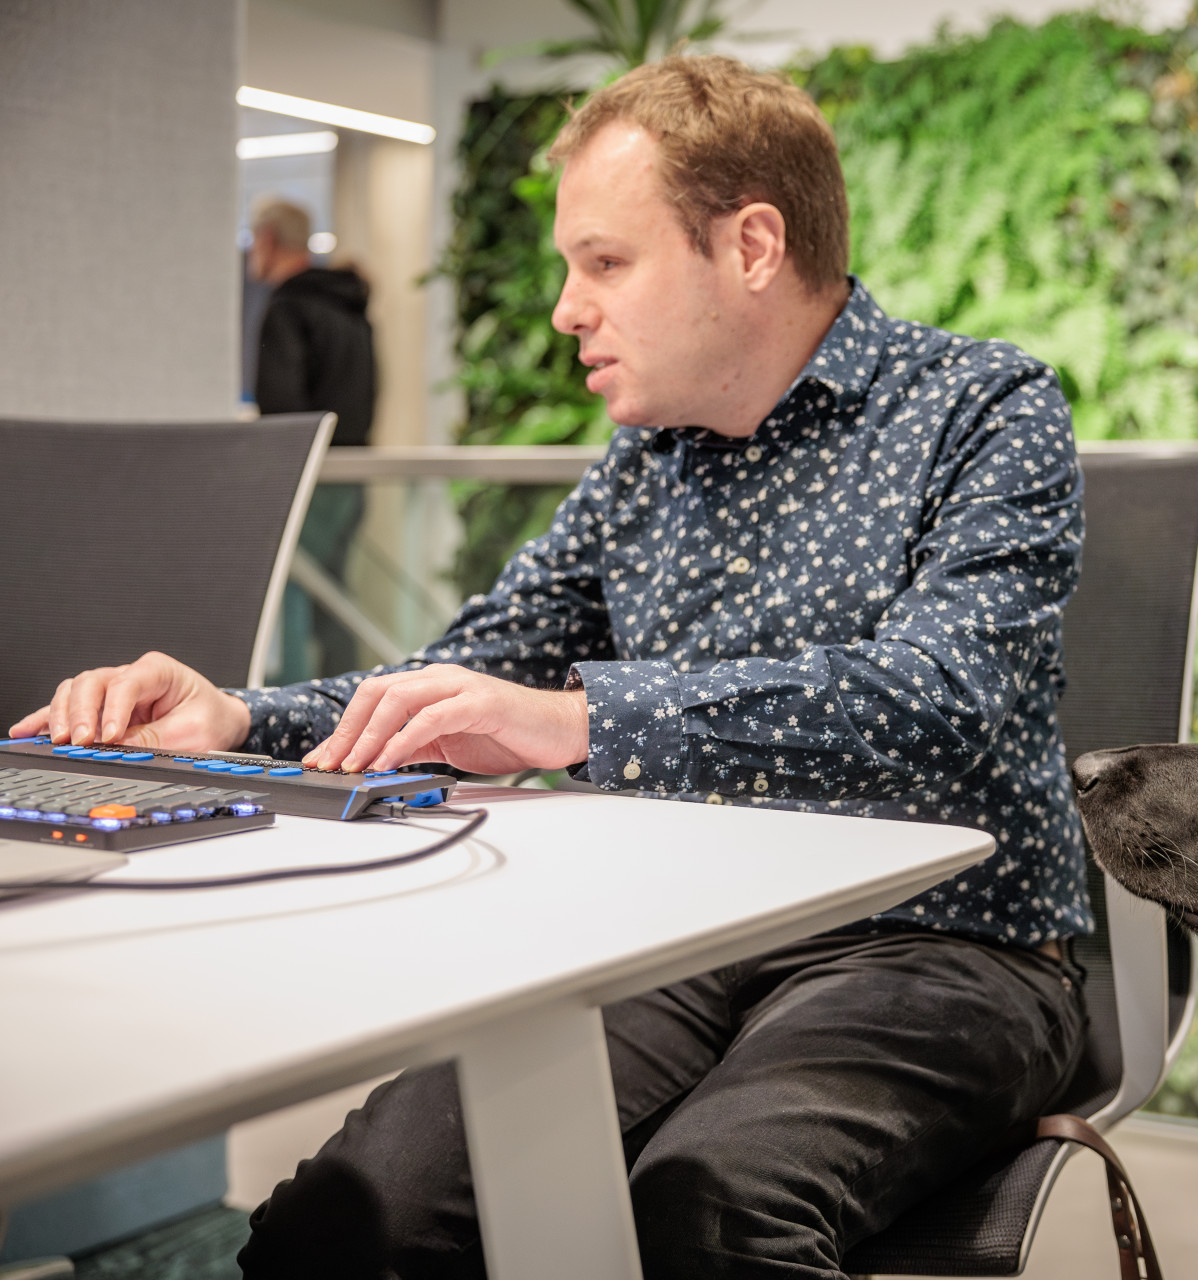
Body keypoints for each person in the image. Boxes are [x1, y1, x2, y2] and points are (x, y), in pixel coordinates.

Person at [11, 57, 1091, 1279]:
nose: (567, 309)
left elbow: (944, 695)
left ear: (750, 246)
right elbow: (472, 671)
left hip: (945, 943)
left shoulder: (982, 407)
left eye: (604, 262)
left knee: (705, 1210)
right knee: (358, 1218)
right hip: (676, 932)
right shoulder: (647, 459)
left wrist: (578, 720)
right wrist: (237, 717)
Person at [248, 198, 377, 680]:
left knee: (292, 592)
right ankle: (353, 701)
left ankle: (288, 713)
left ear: (265, 240)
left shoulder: (289, 308)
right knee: (335, 599)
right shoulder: (348, 306)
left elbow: (280, 410)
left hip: (309, 478)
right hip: (354, 476)